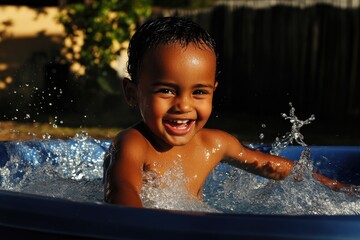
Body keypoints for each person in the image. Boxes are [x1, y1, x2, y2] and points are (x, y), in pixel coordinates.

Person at [103, 17, 350, 208]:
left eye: (199, 92)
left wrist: (339, 188)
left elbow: (272, 167)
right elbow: (121, 190)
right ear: (132, 92)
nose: (184, 106)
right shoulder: (133, 144)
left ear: (213, 90)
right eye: (166, 90)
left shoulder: (215, 143)